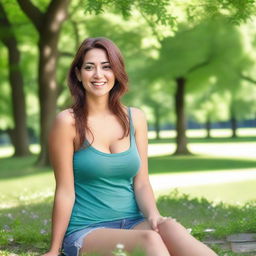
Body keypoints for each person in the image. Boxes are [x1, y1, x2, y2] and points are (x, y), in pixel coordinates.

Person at [43, 37, 217, 256]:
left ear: (116, 72)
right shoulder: (67, 122)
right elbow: (65, 191)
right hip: (88, 230)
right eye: (89, 67)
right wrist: (53, 249)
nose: (98, 74)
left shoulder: (136, 118)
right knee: (150, 240)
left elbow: (142, 182)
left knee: (170, 228)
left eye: (106, 67)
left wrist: (154, 216)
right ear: (78, 74)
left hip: (135, 222)